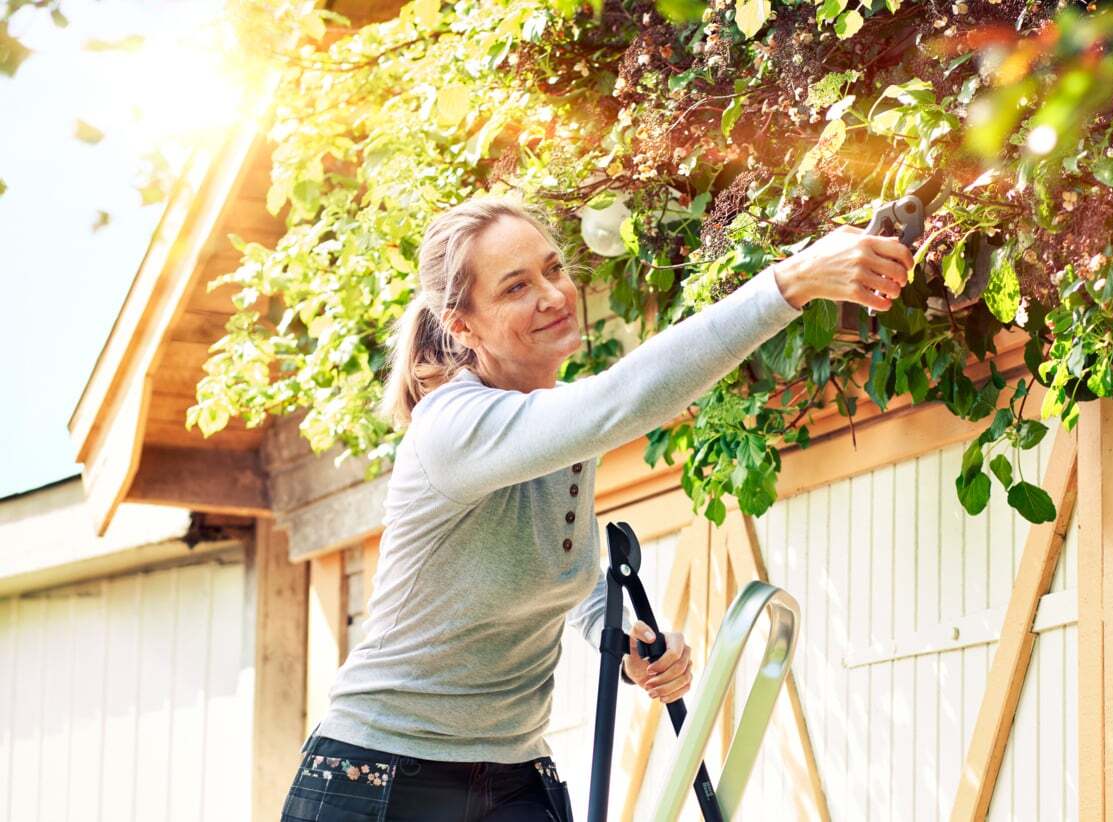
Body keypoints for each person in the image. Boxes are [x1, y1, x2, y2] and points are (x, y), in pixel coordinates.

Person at [277, 193, 913, 822]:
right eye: (516, 287)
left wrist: (624, 639)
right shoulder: (453, 427)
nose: (552, 295)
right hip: (380, 776)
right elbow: (620, 403)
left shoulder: (558, 436)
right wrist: (791, 282)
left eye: (554, 269)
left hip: (512, 772)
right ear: (462, 325)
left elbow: (557, 574)